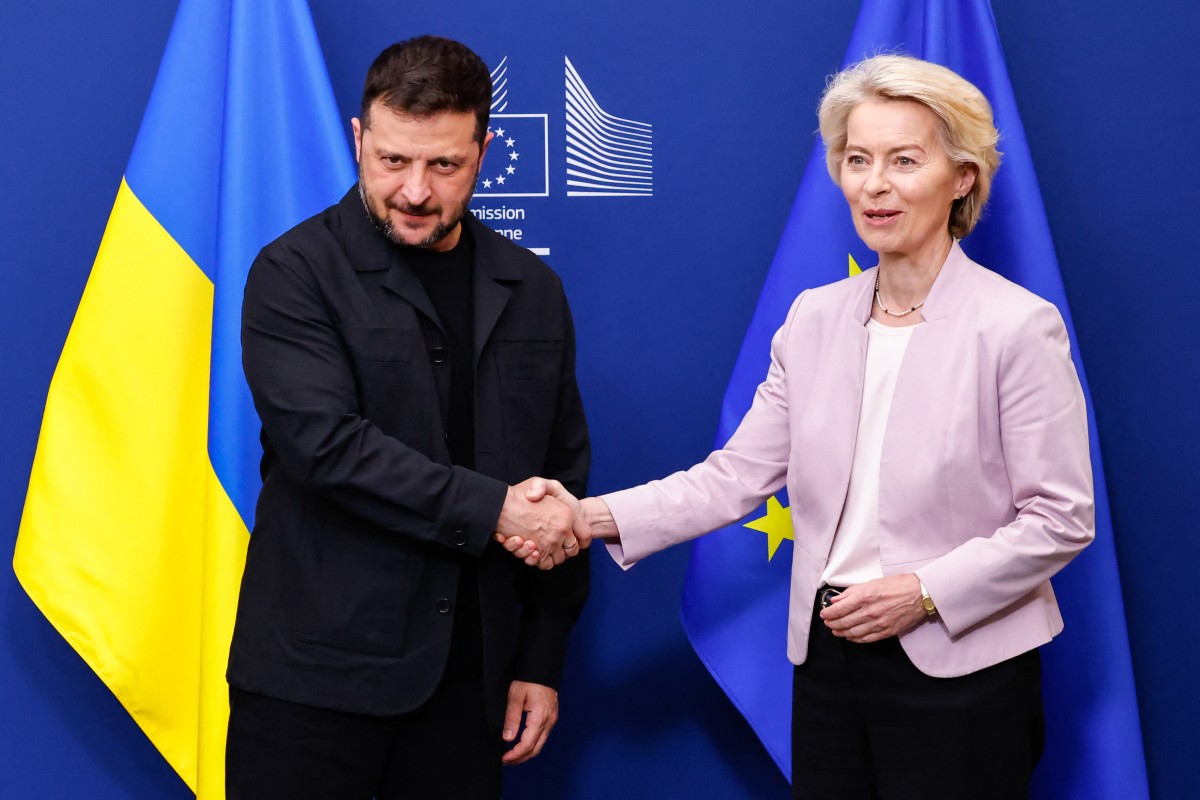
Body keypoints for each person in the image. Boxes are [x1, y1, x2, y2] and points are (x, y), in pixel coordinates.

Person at [514, 54, 1095, 798]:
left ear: (963, 178)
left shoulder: (1016, 326)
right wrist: (584, 515)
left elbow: (1061, 517)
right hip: (828, 660)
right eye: (857, 159)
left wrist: (922, 591)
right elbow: (732, 477)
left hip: (965, 665)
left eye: (903, 160)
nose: (874, 183)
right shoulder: (815, 319)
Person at [225, 35, 591, 800]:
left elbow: (561, 481)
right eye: (393, 161)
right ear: (359, 139)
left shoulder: (533, 289)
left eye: (444, 165)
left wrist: (538, 658)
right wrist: (493, 509)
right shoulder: (292, 275)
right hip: (313, 684)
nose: (416, 191)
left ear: (484, 152)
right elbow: (324, 448)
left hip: (471, 686)